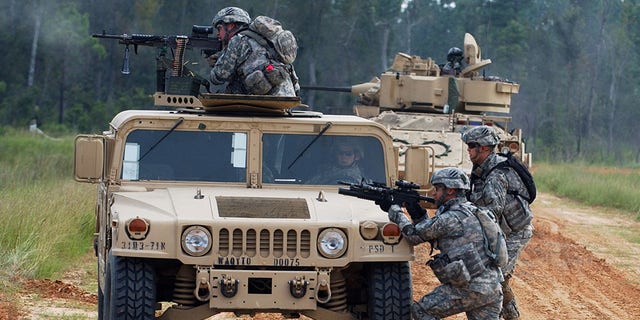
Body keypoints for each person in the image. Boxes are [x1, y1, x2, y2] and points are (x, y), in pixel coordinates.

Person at [381, 167, 503, 319]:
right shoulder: (472, 210)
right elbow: (432, 231)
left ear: (450, 190)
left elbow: (413, 236)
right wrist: (416, 212)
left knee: (421, 311)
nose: (433, 193)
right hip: (493, 287)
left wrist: (395, 211)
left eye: (437, 189)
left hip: (471, 289)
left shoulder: (450, 217)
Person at [461, 125, 534, 320]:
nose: (468, 149)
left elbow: (492, 211)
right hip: (500, 231)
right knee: (498, 280)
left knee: (492, 278)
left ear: (484, 148)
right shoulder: (481, 169)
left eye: (471, 145)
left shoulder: (496, 174)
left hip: (514, 233)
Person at [207, 7, 296, 96]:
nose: (218, 34)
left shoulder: (238, 40)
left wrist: (216, 62)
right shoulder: (268, 41)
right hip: (287, 99)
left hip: (265, 103)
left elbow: (219, 76)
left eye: (219, 28)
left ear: (231, 25)